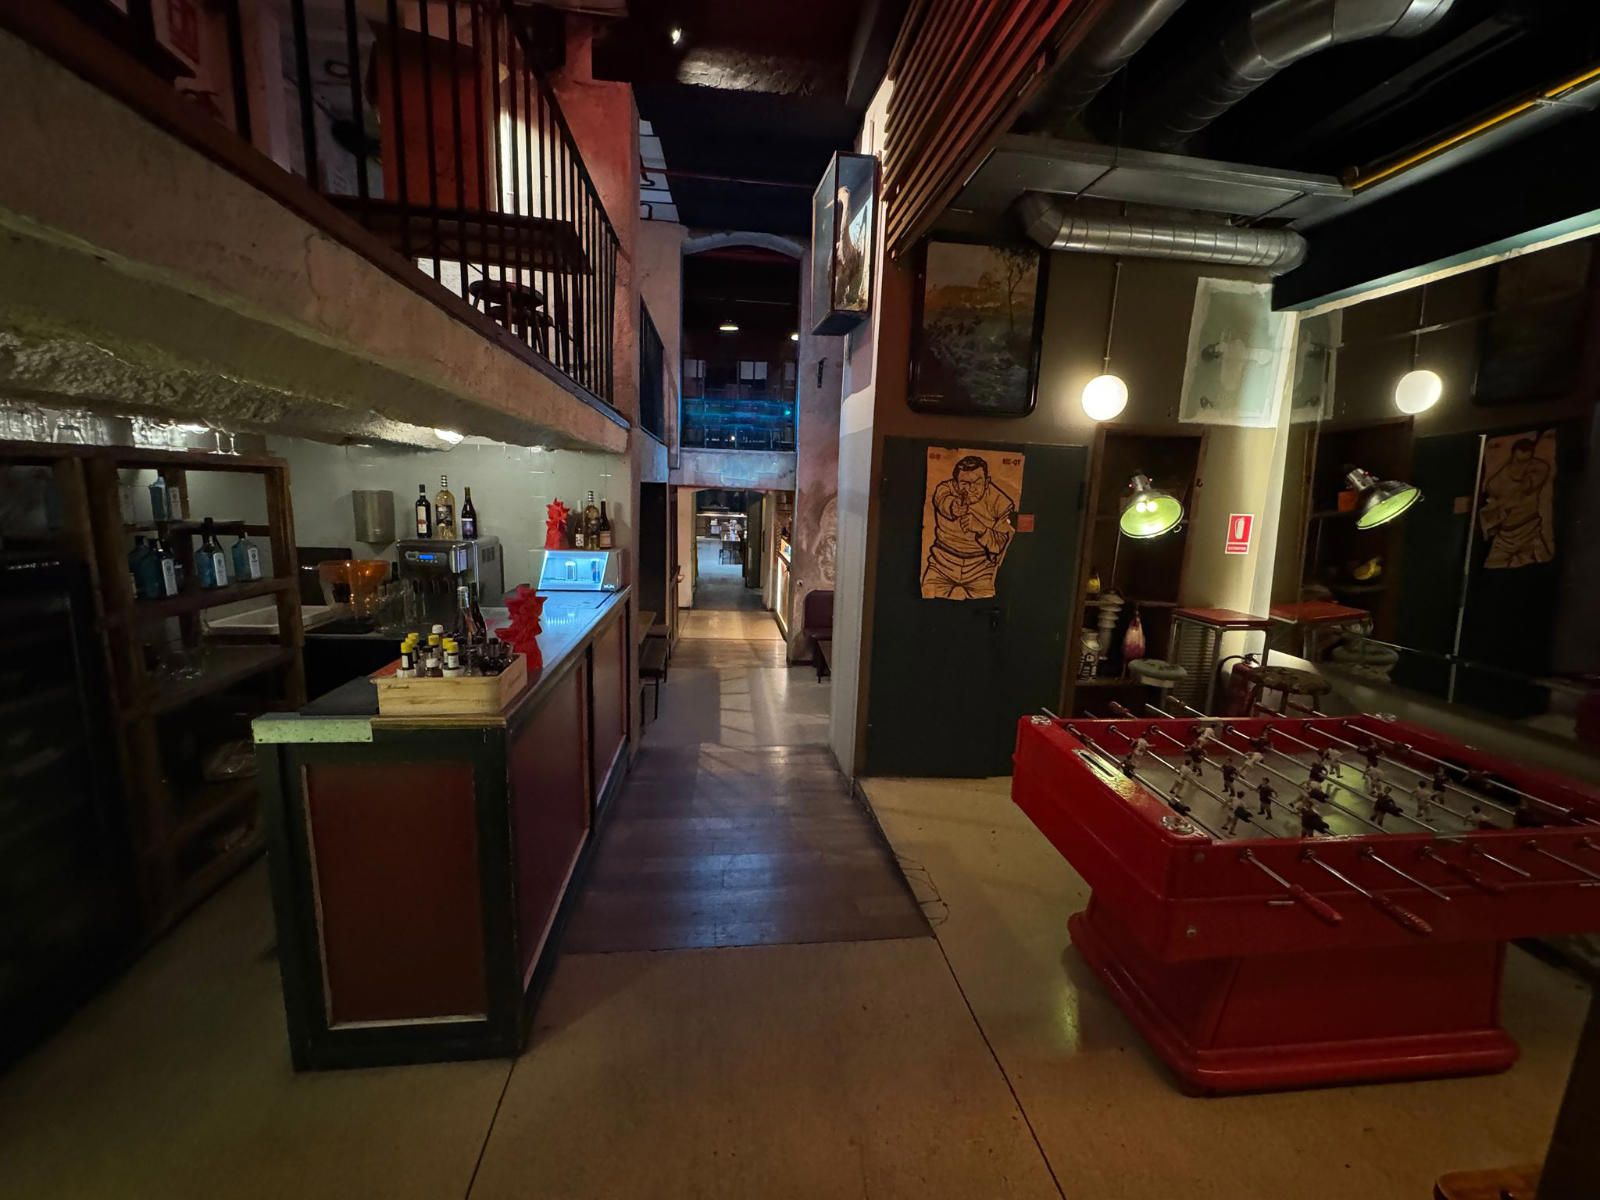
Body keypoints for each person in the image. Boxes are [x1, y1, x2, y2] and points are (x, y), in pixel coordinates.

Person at [920, 455, 1017, 600]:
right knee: (925, 599)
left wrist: (981, 529)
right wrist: (952, 507)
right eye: (965, 483)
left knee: (987, 605)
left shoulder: (1001, 503)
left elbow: (999, 544)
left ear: (987, 482)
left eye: (977, 482)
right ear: (956, 483)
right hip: (942, 563)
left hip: (980, 568)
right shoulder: (946, 489)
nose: (971, 488)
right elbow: (941, 498)